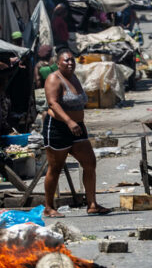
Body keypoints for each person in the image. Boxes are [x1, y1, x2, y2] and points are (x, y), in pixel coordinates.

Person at [42, 50, 110, 216]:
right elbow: (53, 103)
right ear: (58, 63)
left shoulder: (74, 78)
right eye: (66, 61)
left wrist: (76, 122)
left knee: (89, 163)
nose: (70, 63)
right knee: (55, 167)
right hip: (58, 127)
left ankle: (92, 203)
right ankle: (49, 207)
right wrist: (69, 121)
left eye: (72, 60)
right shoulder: (54, 79)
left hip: (78, 128)